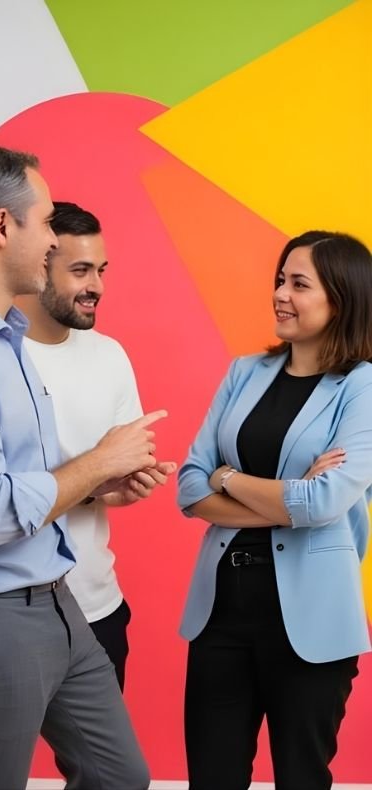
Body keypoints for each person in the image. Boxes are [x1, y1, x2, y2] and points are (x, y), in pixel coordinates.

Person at [0, 146, 171, 790]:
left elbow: (33, 483)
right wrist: (100, 460)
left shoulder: (5, 336)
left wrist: (101, 479)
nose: (50, 241)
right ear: (3, 227)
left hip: (58, 597)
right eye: (43, 224)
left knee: (119, 775)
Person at [177, 230, 372, 790]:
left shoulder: (361, 387)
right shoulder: (244, 373)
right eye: (279, 281)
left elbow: (326, 500)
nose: (281, 294)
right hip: (222, 612)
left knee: (301, 779)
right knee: (212, 778)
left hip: (313, 620)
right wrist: (284, 498)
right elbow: (191, 487)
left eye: (299, 284)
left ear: (341, 297)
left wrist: (229, 479)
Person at [17, 201, 175, 690]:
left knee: (112, 770)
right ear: (36, 264)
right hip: (8, 613)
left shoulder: (109, 355)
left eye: (101, 270)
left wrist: (115, 487)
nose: (97, 287)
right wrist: (97, 468)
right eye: (80, 270)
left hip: (97, 607)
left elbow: (109, 475)